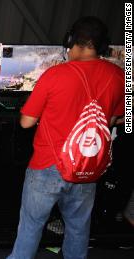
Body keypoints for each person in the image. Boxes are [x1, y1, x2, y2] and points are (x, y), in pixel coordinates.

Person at [8, 16, 124, 259]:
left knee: (31, 226)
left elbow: (26, 122)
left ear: (72, 41)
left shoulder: (55, 74)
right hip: (87, 166)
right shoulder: (117, 75)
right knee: (79, 227)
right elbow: (119, 119)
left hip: (47, 164)